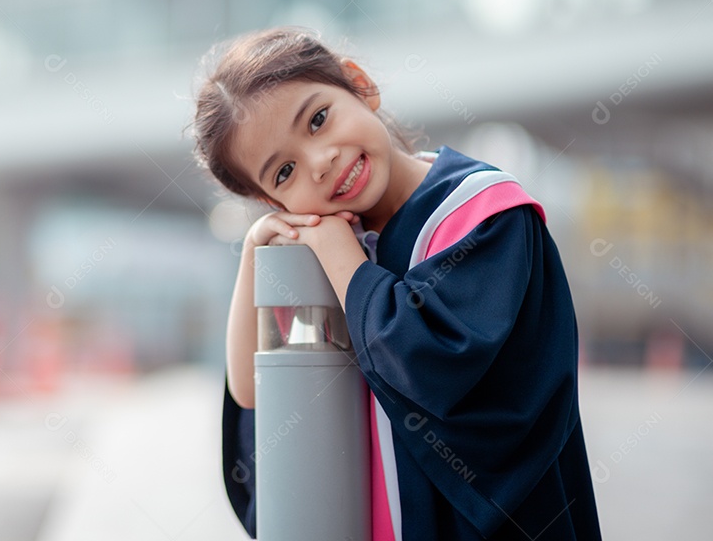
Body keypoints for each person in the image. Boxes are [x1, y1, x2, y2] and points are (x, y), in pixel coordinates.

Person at [191, 28, 602, 540]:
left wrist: (347, 263)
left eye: (318, 119)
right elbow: (254, 392)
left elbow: (429, 364)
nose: (321, 163)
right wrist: (255, 252)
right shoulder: (322, 250)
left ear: (360, 85)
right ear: (277, 205)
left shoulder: (483, 215)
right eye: (285, 172)